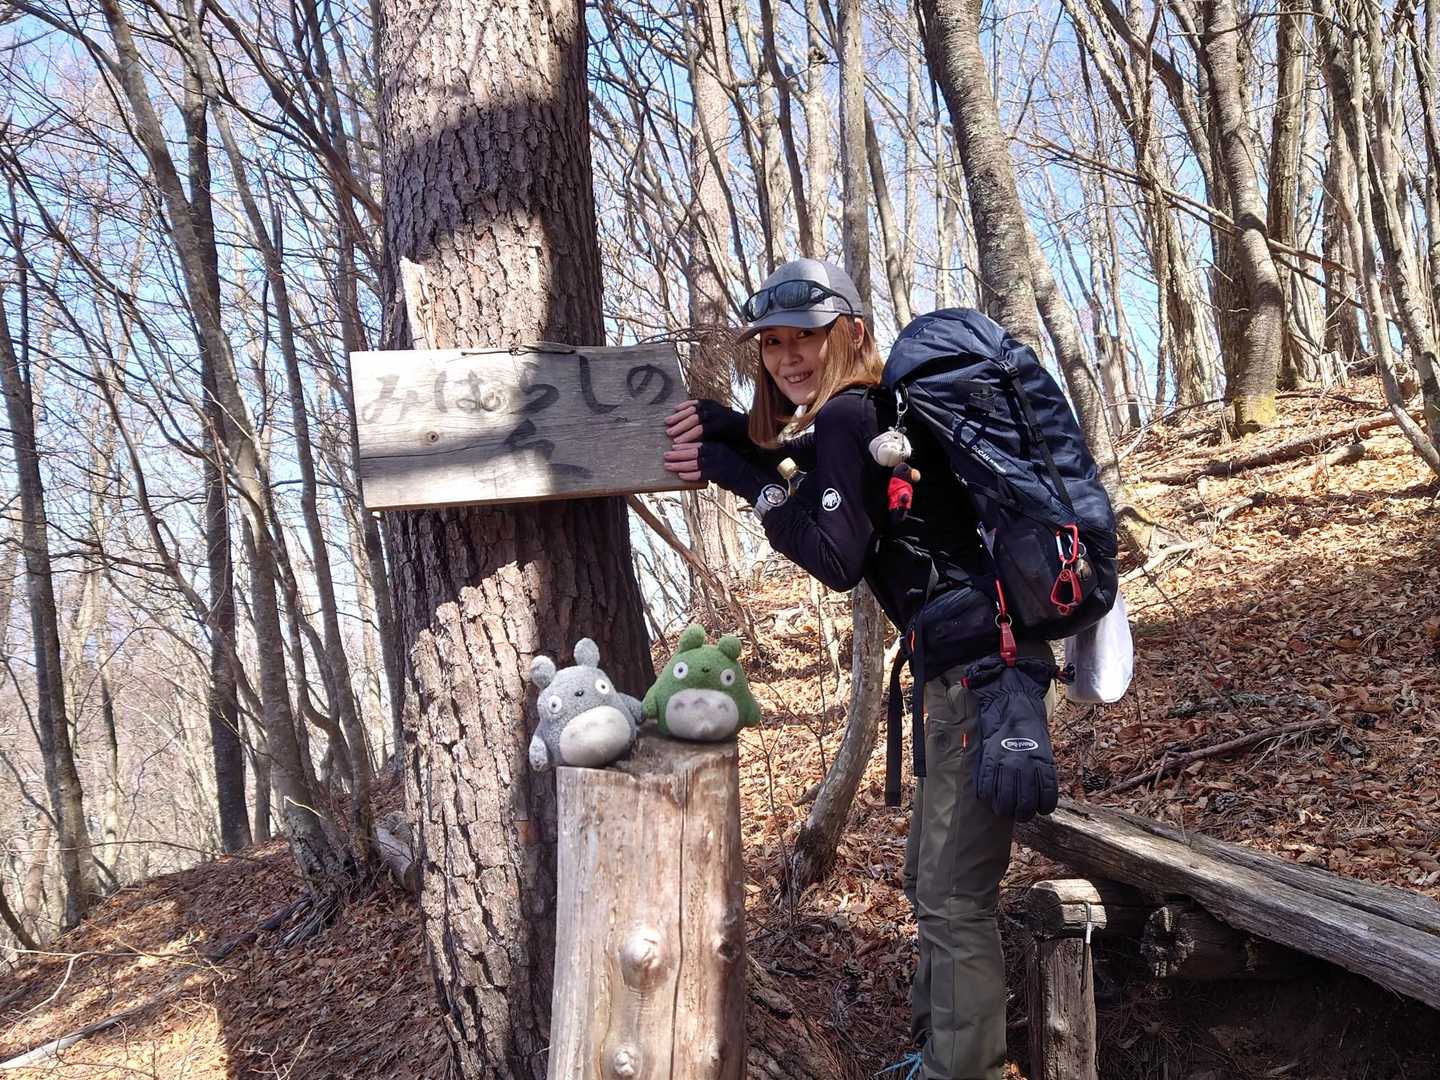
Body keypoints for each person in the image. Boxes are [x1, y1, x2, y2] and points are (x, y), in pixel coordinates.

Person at [663, 258, 1054, 1080]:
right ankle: (936, 1055)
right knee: (929, 879)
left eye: (804, 337)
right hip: (966, 667)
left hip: (981, 674)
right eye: (772, 344)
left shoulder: (851, 416)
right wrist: (736, 435)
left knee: (953, 894)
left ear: (851, 333)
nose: (787, 357)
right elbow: (808, 469)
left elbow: (836, 556)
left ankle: (963, 1070)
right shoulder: (869, 413)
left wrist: (744, 480)